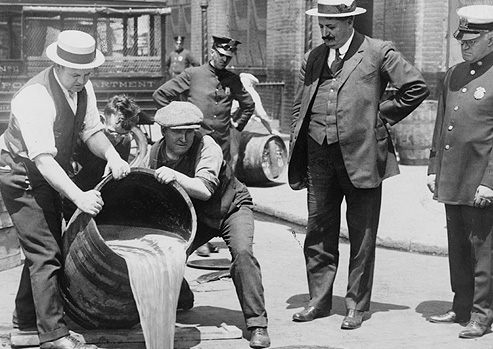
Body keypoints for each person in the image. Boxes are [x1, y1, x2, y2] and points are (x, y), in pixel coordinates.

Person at [288, 0, 430, 330]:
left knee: (362, 235)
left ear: (350, 23)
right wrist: (300, 136)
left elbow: (416, 87)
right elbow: (300, 104)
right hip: (319, 156)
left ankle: (356, 304)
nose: (325, 32)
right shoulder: (314, 57)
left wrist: (380, 117)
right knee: (318, 231)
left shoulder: (378, 51)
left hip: (362, 155)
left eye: (331, 27)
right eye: (321, 26)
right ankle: (318, 301)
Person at [0, 30, 130, 349]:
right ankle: (53, 335)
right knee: (46, 251)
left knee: (44, 247)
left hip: (46, 170)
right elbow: (44, 161)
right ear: (58, 66)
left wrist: (112, 154)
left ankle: (26, 324)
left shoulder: (82, 88)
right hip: (20, 172)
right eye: (75, 75)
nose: (82, 81)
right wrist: (79, 196)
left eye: (87, 74)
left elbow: (92, 131)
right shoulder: (34, 97)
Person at [144, 101, 270, 349]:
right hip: (198, 216)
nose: (184, 137)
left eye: (189, 131)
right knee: (168, 253)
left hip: (231, 207)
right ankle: (182, 296)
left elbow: (204, 189)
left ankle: (257, 324)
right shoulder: (154, 154)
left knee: (243, 255)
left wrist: (176, 176)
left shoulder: (207, 146)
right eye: (177, 131)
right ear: (163, 132)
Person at [427, 4, 493, 339]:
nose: (464, 44)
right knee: (458, 246)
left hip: (480, 179)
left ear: (491, 39)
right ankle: (462, 305)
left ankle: (482, 315)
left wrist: (490, 182)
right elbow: (442, 125)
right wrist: (433, 167)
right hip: (453, 176)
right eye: (462, 38)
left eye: (472, 38)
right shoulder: (452, 73)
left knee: (482, 249)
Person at [153, 35, 255, 167]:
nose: (224, 60)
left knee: (222, 180)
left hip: (221, 144)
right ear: (212, 53)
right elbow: (160, 95)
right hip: (194, 143)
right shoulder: (192, 74)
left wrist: (238, 126)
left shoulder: (233, 80)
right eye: (221, 55)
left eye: (228, 57)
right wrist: (176, 121)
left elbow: (249, 105)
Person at [62, 94, 141, 219]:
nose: (116, 139)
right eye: (112, 132)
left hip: (99, 195)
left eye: (123, 134)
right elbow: (68, 172)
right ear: (102, 120)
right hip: (75, 193)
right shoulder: (82, 139)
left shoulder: (125, 142)